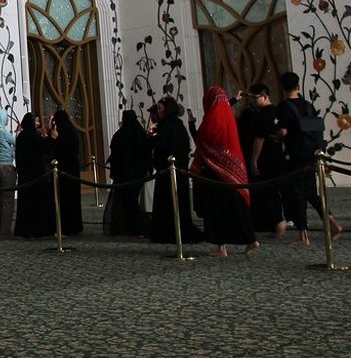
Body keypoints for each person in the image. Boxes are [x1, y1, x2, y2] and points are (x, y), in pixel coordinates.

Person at [276, 71, 343, 244]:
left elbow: (283, 131)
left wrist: (277, 137)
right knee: (312, 192)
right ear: (298, 86)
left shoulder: (284, 107)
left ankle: (303, 234)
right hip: (312, 153)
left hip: (295, 155)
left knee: (297, 193)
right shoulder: (308, 105)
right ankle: (332, 221)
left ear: (283, 87)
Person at [191, 87, 258, 256]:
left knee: (216, 210)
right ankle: (251, 239)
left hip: (214, 172)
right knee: (237, 207)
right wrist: (233, 100)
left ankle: (221, 247)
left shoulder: (210, 119)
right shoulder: (228, 116)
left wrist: (192, 125)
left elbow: (201, 140)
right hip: (233, 170)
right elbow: (223, 106)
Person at [149, 96, 202, 245]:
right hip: (172, 171)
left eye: (160, 108)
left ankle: (171, 233)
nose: (157, 111)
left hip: (171, 172)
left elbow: (167, 147)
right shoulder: (172, 125)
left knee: (171, 203)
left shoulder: (169, 126)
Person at [243, 84, 287, 238]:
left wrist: (254, 159)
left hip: (265, 157)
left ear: (265, 96)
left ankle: (278, 221)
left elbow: (259, 139)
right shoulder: (277, 111)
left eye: (254, 98)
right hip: (278, 154)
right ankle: (277, 223)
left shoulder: (263, 114)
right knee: (273, 190)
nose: (252, 101)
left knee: (266, 191)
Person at [103, 109, 150, 237]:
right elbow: (146, 153)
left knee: (128, 200)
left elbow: (116, 156)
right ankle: (133, 226)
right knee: (131, 199)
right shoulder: (140, 133)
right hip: (138, 174)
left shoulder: (120, 136)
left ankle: (136, 226)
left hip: (124, 175)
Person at [13, 112, 55, 238]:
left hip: (24, 175)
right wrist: (51, 137)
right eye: (36, 121)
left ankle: (25, 230)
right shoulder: (33, 136)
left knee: (26, 204)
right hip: (36, 175)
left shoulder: (21, 137)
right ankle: (38, 229)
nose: (38, 123)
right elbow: (46, 148)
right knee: (37, 203)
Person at [49, 109, 83, 235]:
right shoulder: (73, 134)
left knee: (62, 199)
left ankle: (63, 225)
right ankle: (75, 225)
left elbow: (54, 152)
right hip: (73, 170)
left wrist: (53, 138)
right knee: (73, 198)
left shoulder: (59, 136)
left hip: (61, 170)